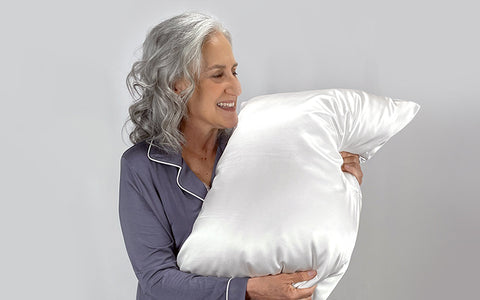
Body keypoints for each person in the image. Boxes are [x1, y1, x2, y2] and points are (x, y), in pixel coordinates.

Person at [119, 12, 363, 300]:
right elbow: (157, 279)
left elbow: (293, 221)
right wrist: (246, 289)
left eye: (234, 72)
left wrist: (340, 184)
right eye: (217, 74)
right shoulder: (142, 167)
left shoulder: (256, 143)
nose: (236, 88)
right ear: (178, 84)